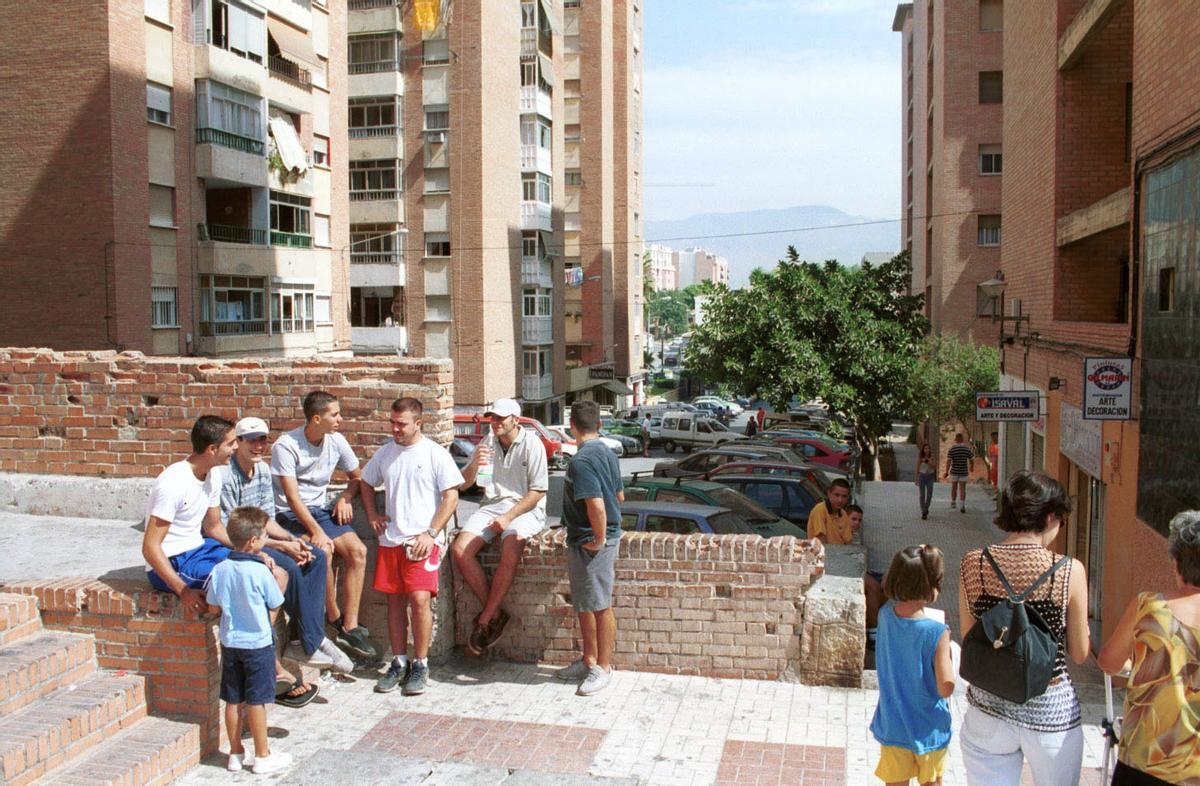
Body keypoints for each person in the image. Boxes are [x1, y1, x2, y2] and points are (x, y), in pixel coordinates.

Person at [958, 470, 1089, 786]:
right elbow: (1080, 653)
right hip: (1050, 711)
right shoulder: (1069, 571)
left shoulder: (974, 562)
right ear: (1049, 519)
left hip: (987, 707)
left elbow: (968, 636)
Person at [219, 417, 351, 699]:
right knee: (289, 566)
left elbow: (265, 519)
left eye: (262, 440)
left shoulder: (264, 471)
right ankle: (312, 642)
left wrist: (291, 540)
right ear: (238, 443)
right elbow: (235, 530)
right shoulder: (226, 476)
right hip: (240, 543)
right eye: (251, 440)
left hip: (260, 536)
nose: (258, 446)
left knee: (314, 555)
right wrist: (281, 547)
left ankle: (307, 640)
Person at [360, 398, 462, 695]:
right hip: (391, 539)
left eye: (401, 423)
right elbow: (366, 483)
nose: (395, 429)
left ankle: (421, 663)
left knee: (419, 600)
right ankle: (399, 662)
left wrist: (431, 533)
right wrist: (372, 515)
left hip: (422, 541)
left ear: (419, 423)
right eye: (392, 422)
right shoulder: (385, 453)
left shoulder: (434, 454)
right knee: (393, 602)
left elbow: (451, 497)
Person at [1097, 510, 1200, 786]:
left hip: (1142, 764)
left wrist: (1140, 665)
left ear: (1175, 562)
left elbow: (1108, 662)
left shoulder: (1149, 606)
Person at [272, 390, 375, 660]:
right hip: (289, 516)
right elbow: (292, 498)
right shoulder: (286, 445)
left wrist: (345, 497)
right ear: (316, 418)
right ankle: (334, 617)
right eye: (335, 414)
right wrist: (317, 533)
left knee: (358, 551)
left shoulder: (336, 441)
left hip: (320, 511)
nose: (340, 418)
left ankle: (349, 626)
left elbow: (357, 477)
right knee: (324, 550)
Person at [452, 399, 548, 655]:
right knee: (460, 549)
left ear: (515, 420)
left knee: (511, 542)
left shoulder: (532, 444)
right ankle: (494, 612)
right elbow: (464, 485)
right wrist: (474, 464)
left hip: (525, 506)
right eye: (491, 418)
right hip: (492, 504)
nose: (494, 423)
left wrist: (508, 518)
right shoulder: (487, 442)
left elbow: (538, 491)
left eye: (499, 419)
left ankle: (485, 620)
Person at [142, 416, 270, 605]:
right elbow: (150, 547)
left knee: (264, 569)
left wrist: (248, 551)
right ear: (212, 449)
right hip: (174, 560)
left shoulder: (213, 474)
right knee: (240, 582)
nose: (236, 448)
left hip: (201, 548)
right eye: (231, 443)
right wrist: (183, 590)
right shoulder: (173, 484)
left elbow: (214, 527)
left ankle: (265, 634)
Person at [207, 507, 291, 775]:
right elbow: (276, 602)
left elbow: (212, 607)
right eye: (265, 535)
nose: (266, 538)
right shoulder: (260, 572)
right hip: (258, 644)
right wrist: (269, 618)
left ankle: (234, 753)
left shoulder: (220, 570)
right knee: (257, 701)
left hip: (231, 643)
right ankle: (263, 756)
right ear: (253, 541)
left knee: (233, 700)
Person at [870, 545, 955, 786]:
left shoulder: (885, 615)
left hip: (894, 725)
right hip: (928, 730)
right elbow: (946, 687)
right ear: (932, 585)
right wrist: (949, 655)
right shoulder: (937, 632)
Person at [556, 400, 623, 696]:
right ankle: (589, 660)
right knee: (586, 604)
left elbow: (597, 505)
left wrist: (598, 540)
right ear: (599, 425)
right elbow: (619, 496)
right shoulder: (607, 452)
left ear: (572, 426)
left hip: (593, 542)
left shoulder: (581, 461)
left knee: (599, 605)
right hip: (589, 540)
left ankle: (603, 668)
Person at [847, 504, 885, 644]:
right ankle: (872, 631)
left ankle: (873, 621)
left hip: (858, 569)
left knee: (886, 584)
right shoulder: (841, 532)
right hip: (849, 573)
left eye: (859, 520)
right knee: (874, 587)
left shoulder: (854, 535)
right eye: (853, 519)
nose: (857, 523)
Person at [808, 478, 854, 545]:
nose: (840, 500)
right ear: (829, 493)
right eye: (836, 495)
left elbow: (848, 541)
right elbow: (821, 542)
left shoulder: (843, 513)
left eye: (844, 496)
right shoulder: (820, 510)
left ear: (848, 498)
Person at [944, 433, 974, 514]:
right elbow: (971, 458)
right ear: (962, 439)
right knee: (962, 489)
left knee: (954, 487)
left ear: (955, 439)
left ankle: (953, 502)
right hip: (963, 472)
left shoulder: (952, 449)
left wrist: (946, 471)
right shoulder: (967, 449)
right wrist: (971, 467)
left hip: (954, 471)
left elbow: (949, 461)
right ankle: (962, 505)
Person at [915, 443, 935, 520]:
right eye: (925, 448)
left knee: (929, 495)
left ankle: (926, 508)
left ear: (930, 450)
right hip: (922, 476)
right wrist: (916, 479)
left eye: (928, 448)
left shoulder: (932, 457)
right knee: (922, 495)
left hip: (930, 477)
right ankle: (923, 511)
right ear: (923, 450)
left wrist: (929, 462)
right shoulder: (920, 458)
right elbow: (917, 468)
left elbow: (934, 467)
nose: (927, 450)